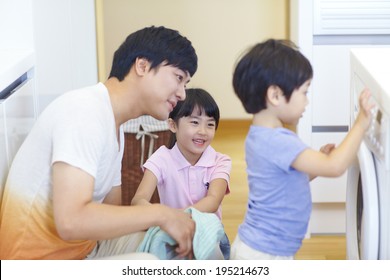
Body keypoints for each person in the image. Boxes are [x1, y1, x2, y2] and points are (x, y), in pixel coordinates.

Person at [0, 26, 198, 260]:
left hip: (86, 251)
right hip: (38, 263)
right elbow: (71, 221)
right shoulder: (84, 111)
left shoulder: (115, 126)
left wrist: (158, 218)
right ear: (142, 66)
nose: (183, 94)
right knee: (147, 263)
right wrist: (160, 214)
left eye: (185, 83)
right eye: (178, 78)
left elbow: (109, 215)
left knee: (177, 246)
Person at [230, 39, 373, 260]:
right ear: (275, 95)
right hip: (266, 253)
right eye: (304, 92)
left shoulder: (258, 136)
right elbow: (335, 167)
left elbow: (285, 182)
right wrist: (362, 122)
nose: (307, 102)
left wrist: (316, 164)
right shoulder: (280, 141)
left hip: (260, 248)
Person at [131, 88, 232, 259]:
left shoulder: (220, 161)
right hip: (172, 234)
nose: (203, 131)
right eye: (194, 122)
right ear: (172, 125)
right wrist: (165, 220)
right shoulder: (162, 158)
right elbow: (138, 200)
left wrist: (176, 217)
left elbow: (213, 201)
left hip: (207, 235)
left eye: (210, 124)